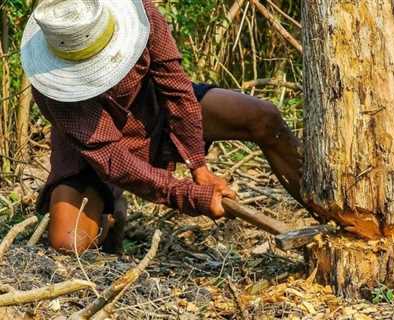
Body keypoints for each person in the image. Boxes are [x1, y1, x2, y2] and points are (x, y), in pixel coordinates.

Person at [21, 0, 305, 254]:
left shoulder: (141, 15)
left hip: (157, 111)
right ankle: (111, 209)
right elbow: (112, 159)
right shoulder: (52, 91)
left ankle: (329, 208)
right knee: (68, 242)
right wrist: (191, 196)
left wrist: (199, 167)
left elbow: (178, 92)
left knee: (263, 117)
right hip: (96, 151)